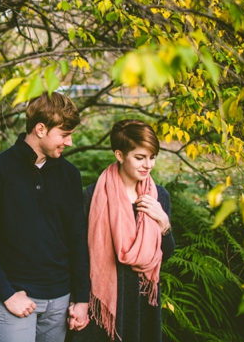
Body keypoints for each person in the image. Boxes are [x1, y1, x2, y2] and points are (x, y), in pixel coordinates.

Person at [0, 92, 91, 342]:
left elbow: (78, 239)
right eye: (64, 135)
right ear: (40, 129)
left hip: (60, 299)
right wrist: (7, 293)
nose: (68, 143)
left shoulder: (70, 175)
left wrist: (82, 298)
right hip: (17, 298)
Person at [70, 119, 175, 342]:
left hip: (142, 301)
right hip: (103, 298)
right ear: (120, 155)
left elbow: (166, 254)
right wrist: (77, 299)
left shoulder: (159, 197)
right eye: (140, 157)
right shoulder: (93, 196)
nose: (148, 165)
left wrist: (164, 222)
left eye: (152, 157)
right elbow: (78, 254)